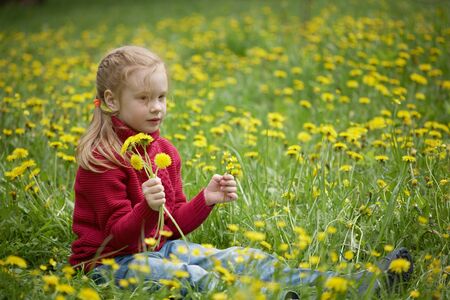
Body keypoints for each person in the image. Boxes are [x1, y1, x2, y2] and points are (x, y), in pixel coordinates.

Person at [69, 45, 413, 298]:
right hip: (109, 266)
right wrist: (147, 207)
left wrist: (205, 199)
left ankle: (350, 285)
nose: (157, 107)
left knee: (240, 258)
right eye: (144, 98)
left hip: (158, 251)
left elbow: (172, 228)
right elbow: (115, 237)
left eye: (161, 96)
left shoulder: (165, 153)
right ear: (112, 100)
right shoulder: (102, 160)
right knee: (193, 277)